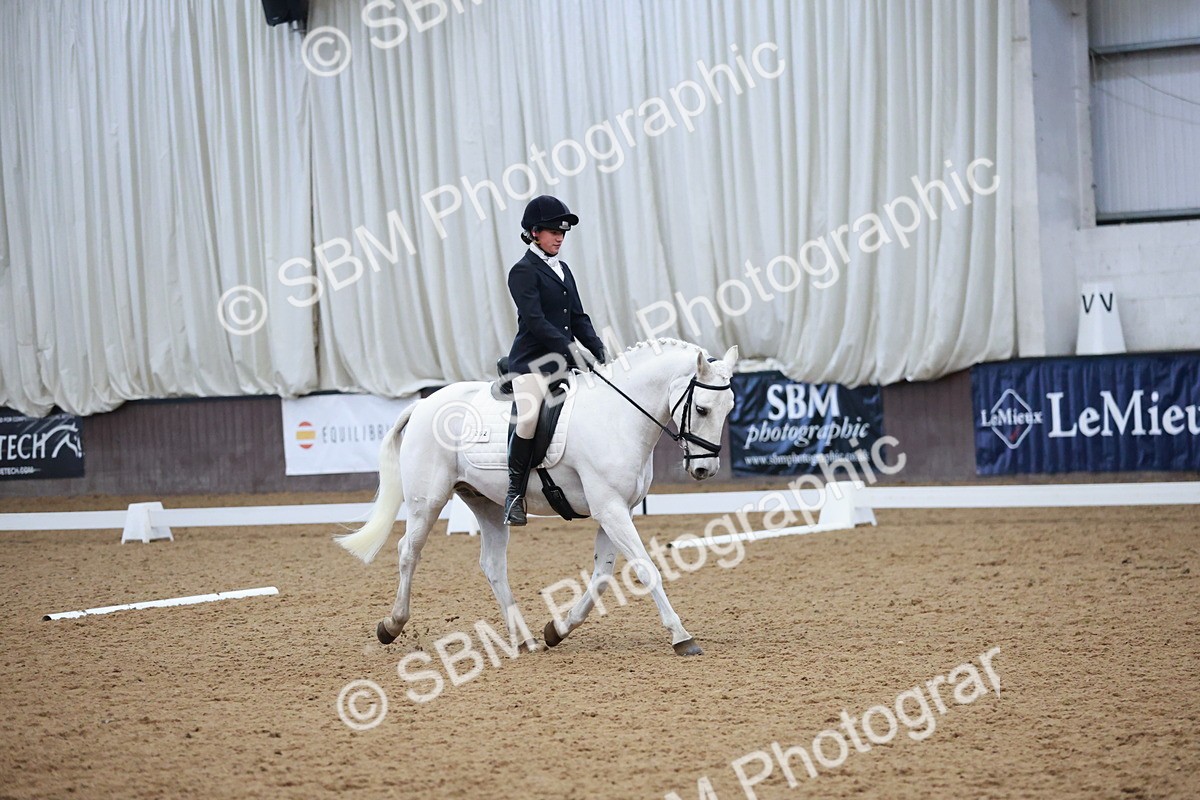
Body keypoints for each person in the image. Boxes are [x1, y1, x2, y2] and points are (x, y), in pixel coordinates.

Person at [503, 195, 607, 526]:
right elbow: (536, 321)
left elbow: (577, 317)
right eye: (552, 232)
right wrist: (572, 349)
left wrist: (599, 351)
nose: (559, 237)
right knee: (528, 419)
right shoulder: (522, 271)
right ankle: (514, 494)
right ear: (534, 233)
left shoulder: (563, 269)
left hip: (565, 363)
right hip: (531, 364)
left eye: (562, 232)